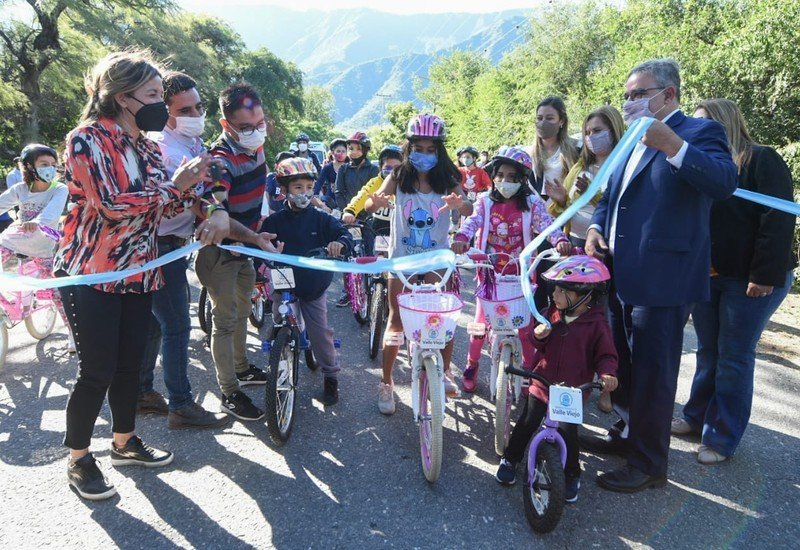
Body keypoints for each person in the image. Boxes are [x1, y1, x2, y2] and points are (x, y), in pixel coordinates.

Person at [54, 50, 214, 501]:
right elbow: (111, 206)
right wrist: (173, 188)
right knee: (97, 369)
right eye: (151, 94)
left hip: (139, 271)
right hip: (92, 272)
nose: (159, 103)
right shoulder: (86, 139)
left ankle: (124, 442)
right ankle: (79, 459)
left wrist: (191, 189)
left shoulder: (145, 144)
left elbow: (163, 206)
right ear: (124, 98)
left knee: (129, 366)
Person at [582, 59, 737, 493]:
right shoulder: (630, 139)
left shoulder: (698, 133)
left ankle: (649, 464)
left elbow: (723, 182)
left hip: (664, 277)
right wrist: (596, 226)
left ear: (669, 95)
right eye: (626, 95)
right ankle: (630, 434)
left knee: (653, 371)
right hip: (618, 272)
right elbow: (609, 196)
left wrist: (674, 146)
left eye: (639, 94)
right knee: (622, 364)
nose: (629, 102)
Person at [671, 98, 797, 464]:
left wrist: (763, 274)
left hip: (751, 279)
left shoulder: (761, 159)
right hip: (710, 275)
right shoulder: (703, 166)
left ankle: (722, 438)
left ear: (725, 123)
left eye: (704, 124)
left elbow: (778, 219)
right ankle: (697, 419)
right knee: (708, 350)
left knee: (734, 356)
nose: (697, 132)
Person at [137, 71, 232, 429]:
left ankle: (141, 392)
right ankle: (180, 405)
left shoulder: (192, 143)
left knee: (153, 324)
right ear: (166, 112)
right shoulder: (164, 147)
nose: (195, 115)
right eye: (185, 109)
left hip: (171, 244)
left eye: (198, 107)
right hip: (160, 246)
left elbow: (212, 179)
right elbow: (190, 199)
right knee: (177, 325)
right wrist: (217, 212)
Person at [364, 113, 472, 414]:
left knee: (443, 316)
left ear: (439, 151)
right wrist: (377, 202)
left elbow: (469, 206)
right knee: (397, 320)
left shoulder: (449, 179)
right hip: (402, 260)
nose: (423, 155)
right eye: (418, 148)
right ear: (408, 148)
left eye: (430, 149)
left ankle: (446, 370)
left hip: (437, 259)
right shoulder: (398, 176)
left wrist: (459, 205)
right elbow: (372, 202)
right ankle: (387, 383)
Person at [495, 255, 618, 503]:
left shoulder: (597, 325)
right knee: (528, 421)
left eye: (563, 290)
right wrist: (538, 336)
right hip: (542, 381)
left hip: (571, 391)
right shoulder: (550, 313)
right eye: (556, 289)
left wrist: (607, 373)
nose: (556, 295)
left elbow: (606, 355)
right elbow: (534, 340)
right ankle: (511, 458)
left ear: (583, 296)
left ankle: (572, 472)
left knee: (568, 432)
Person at [451, 146, 571, 393]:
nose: (506, 181)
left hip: (521, 274)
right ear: (493, 176)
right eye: (501, 175)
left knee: (525, 326)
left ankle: (528, 369)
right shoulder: (484, 202)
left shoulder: (533, 203)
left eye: (513, 177)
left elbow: (547, 226)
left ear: (523, 180)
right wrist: (463, 236)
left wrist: (560, 240)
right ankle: (472, 364)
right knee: (480, 324)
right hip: (489, 273)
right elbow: (472, 221)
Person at [194, 82, 272, 422]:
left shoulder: (256, 148)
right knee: (223, 323)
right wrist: (251, 237)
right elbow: (214, 201)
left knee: (243, 314)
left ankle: (242, 368)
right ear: (226, 126)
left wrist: (257, 232)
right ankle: (229, 392)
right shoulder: (221, 161)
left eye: (260, 124)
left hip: (244, 254)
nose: (255, 132)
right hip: (220, 256)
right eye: (245, 128)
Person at [261, 157, 354, 406]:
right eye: (297, 188)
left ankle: (331, 376)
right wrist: (264, 249)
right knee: (279, 320)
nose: (303, 193)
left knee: (319, 332)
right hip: (283, 278)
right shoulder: (275, 221)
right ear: (284, 191)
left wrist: (340, 243)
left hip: (313, 283)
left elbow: (343, 234)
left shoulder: (321, 218)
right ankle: (279, 361)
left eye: (307, 187)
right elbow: (260, 241)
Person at [0, 144, 72, 349]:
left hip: (44, 244)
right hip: (16, 238)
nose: (49, 168)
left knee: (58, 292)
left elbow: (50, 216)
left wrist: (37, 222)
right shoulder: (21, 189)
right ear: (30, 167)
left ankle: (72, 333)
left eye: (52, 164)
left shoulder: (59, 188)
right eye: (43, 164)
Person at [546, 106, 625, 248]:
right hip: (575, 242)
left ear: (613, 131)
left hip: (606, 245)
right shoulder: (580, 167)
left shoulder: (624, 166)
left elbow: (621, 211)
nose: (591, 137)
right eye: (587, 133)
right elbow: (564, 210)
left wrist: (592, 195)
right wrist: (562, 200)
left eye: (597, 131)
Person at [334, 131, 378, 306]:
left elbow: (374, 191)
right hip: (348, 217)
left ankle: (372, 287)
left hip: (368, 217)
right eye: (350, 148)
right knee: (348, 254)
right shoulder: (344, 169)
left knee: (369, 252)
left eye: (357, 149)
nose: (352, 152)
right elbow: (339, 192)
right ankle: (348, 291)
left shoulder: (373, 169)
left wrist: (364, 213)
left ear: (365, 150)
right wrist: (347, 212)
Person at [341, 144, 403, 235]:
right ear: (380, 167)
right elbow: (363, 195)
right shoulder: (375, 182)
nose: (392, 173)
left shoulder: (408, 183)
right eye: (388, 168)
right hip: (378, 228)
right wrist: (350, 211)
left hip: (401, 227)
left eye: (397, 168)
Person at [527, 96, 579, 200]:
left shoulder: (576, 149)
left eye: (550, 118)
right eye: (539, 118)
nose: (543, 122)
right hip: (536, 213)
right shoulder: (527, 154)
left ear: (561, 121)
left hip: (567, 212)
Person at [315, 137, 347, 208]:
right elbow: (319, 182)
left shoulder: (350, 167)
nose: (341, 154)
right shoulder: (328, 167)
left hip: (347, 202)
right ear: (332, 152)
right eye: (338, 151)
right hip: (331, 202)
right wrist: (315, 196)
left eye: (343, 151)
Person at [264, 150, 295, 215]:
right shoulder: (271, 177)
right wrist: (269, 211)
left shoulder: (295, 179)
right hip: (274, 216)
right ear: (276, 166)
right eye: (285, 164)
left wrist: (321, 205)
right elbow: (265, 195)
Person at [1, 157, 21, 232]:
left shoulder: (28, 173)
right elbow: (11, 189)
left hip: (30, 200)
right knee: (20, 219)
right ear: (15, 164)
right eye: (18, 162)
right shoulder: (12, 175)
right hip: (18, 200)